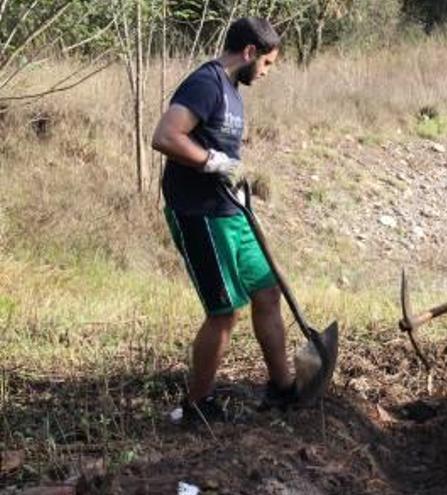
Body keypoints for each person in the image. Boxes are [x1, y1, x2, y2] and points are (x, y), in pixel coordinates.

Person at [151, 17, 295, 423]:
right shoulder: (206, 83)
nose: (265, 73)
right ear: (249, 52)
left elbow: (218, 149)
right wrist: (212, 161)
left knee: (268, 291)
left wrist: (232, 176)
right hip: (199, 213)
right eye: (266, 63)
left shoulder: (231, 91)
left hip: (230, 210)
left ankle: (284, 388)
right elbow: (165, 136)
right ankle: (197, 405)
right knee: (224, 312)